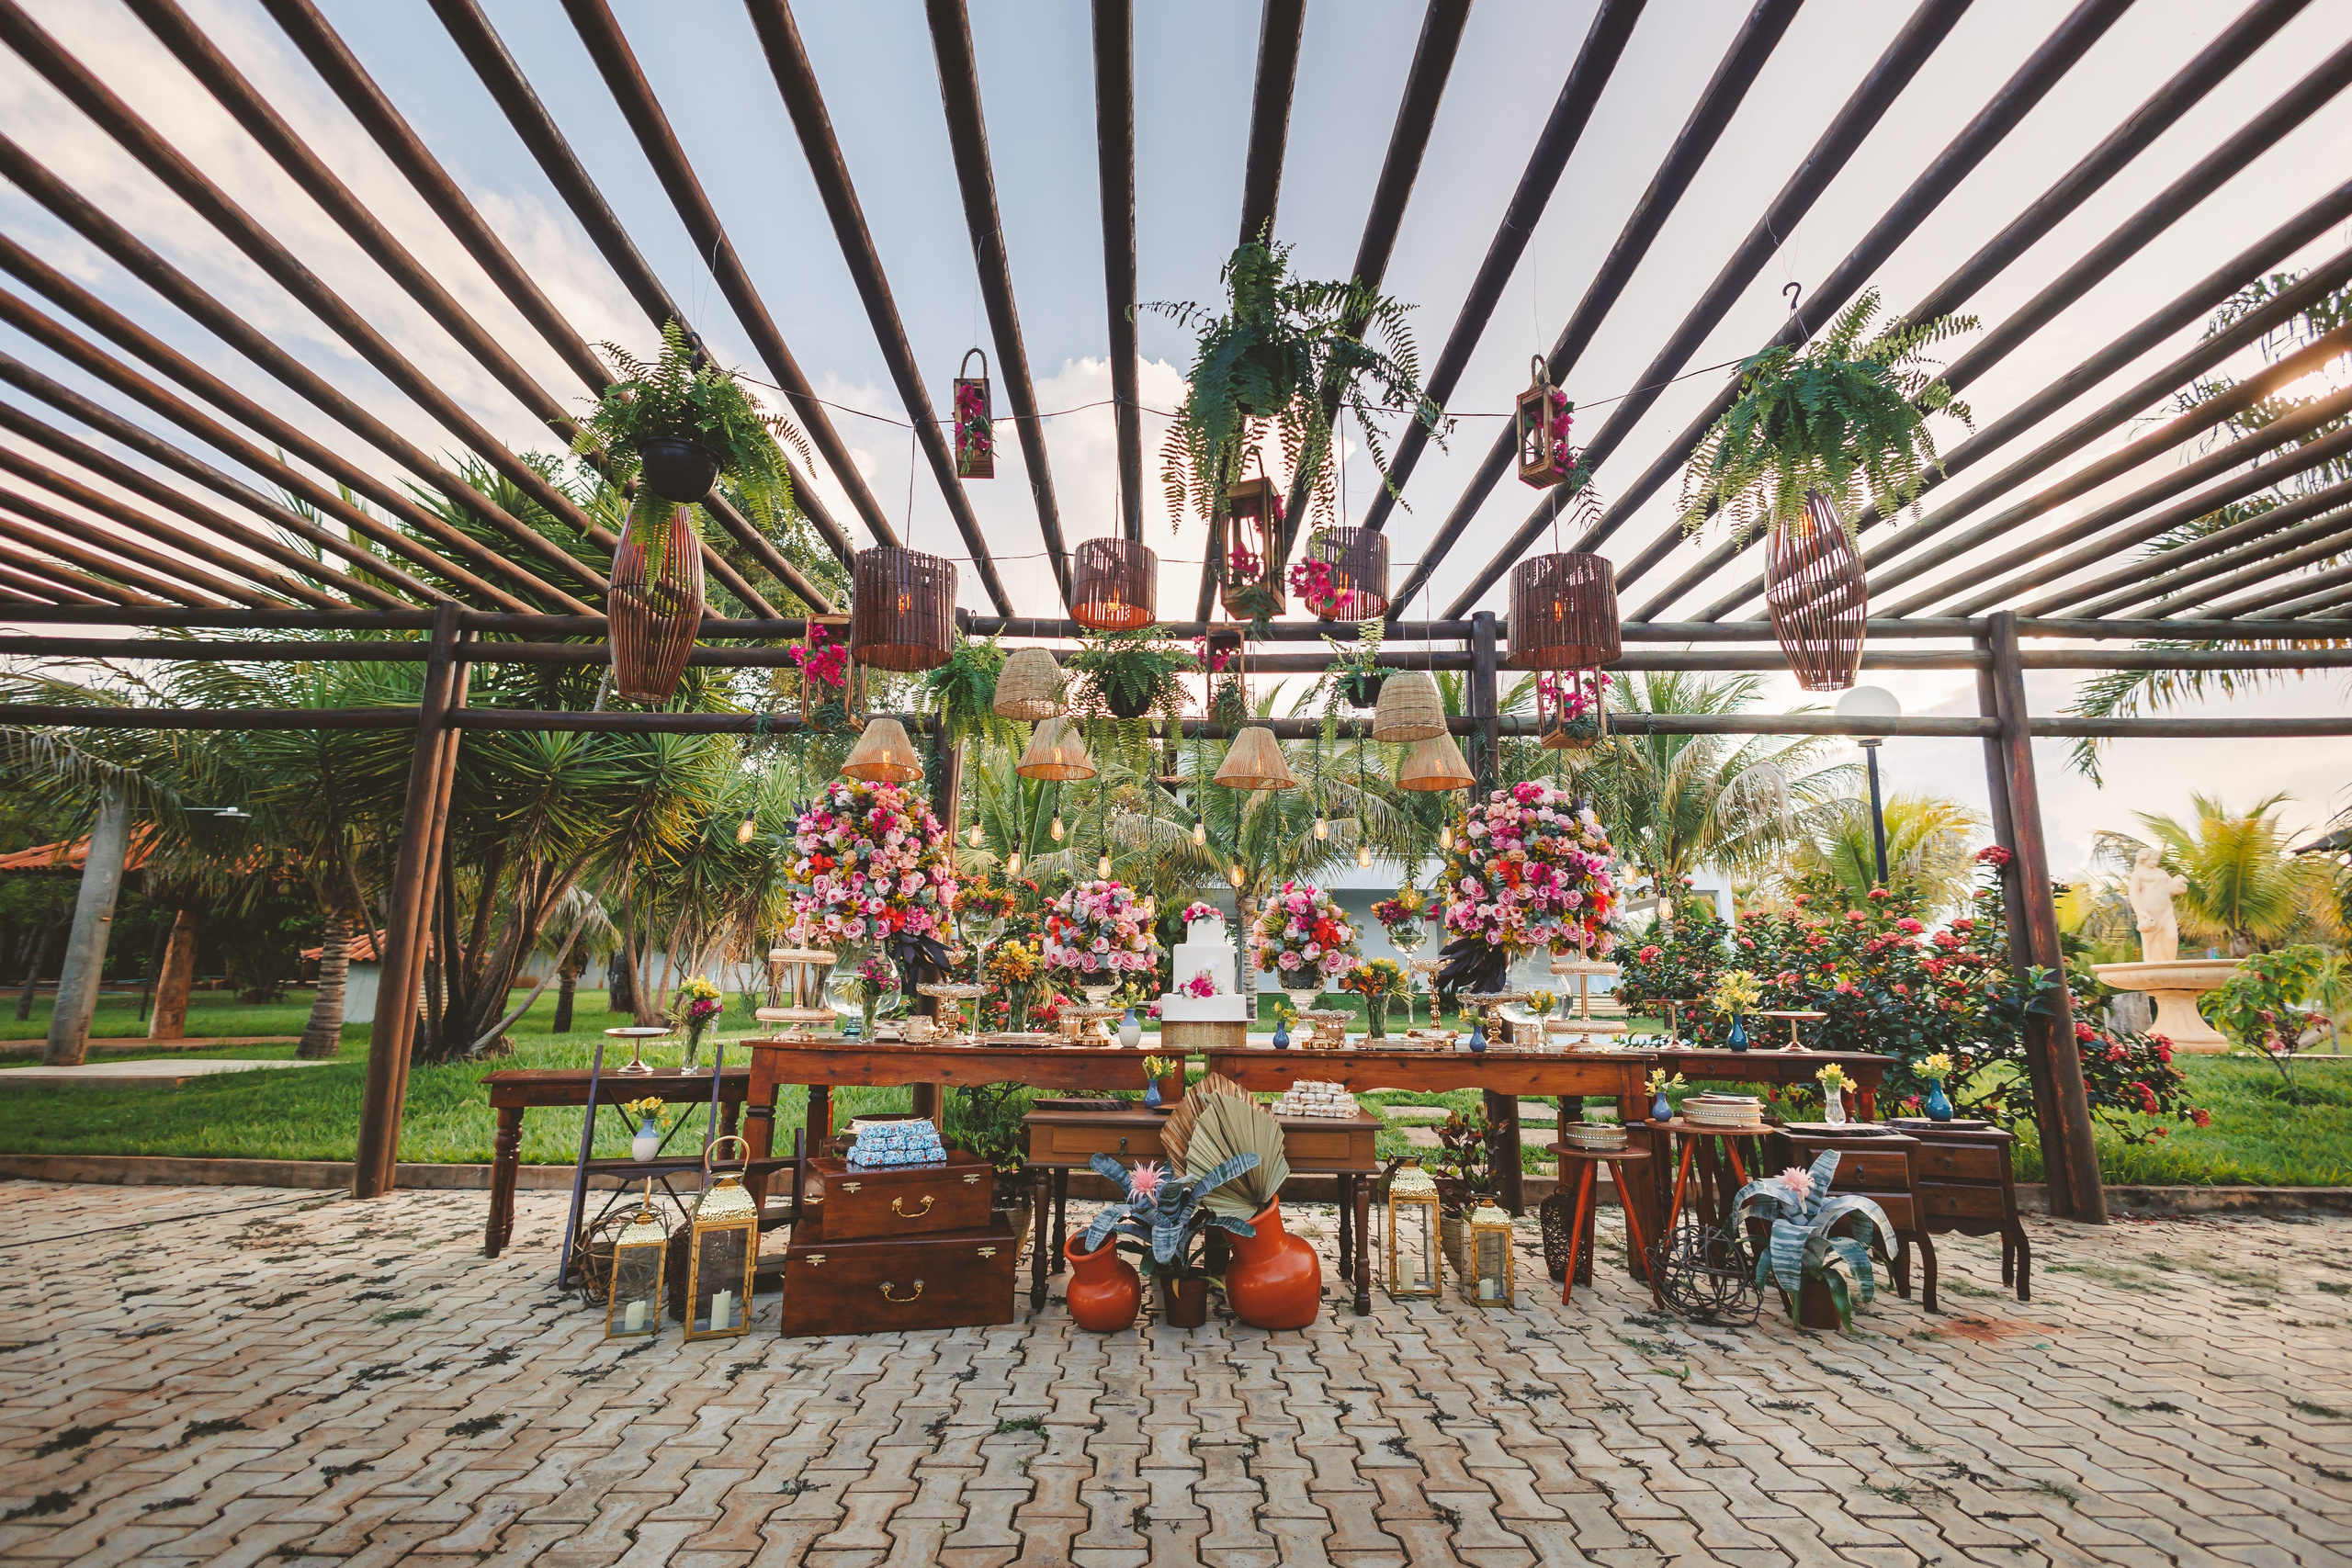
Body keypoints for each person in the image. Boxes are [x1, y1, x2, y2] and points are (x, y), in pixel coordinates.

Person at [2126, 846, 2189, 964]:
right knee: (2151, 940)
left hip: (2166, 910)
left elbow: (2170, 889)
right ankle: (2153, 964)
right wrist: (2140, 913)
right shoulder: (2138, 874)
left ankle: (2169, 964)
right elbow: (2133, 894)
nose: (2155, 861)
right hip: (2150, 911)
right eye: (2152, 859)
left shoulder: (2162, 873)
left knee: (2171, 937)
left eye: (2157, 859)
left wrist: (2179, 885)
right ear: (2144, 859)